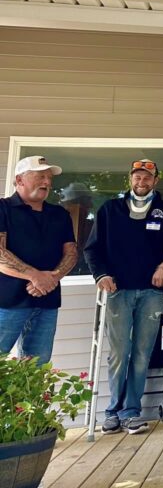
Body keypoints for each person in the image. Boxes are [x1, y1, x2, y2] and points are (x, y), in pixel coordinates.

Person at [84, 159, 163, 434]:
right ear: (130, 180)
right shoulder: (110, 210)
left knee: (142, 353)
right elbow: (92, 249)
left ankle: (131, 411)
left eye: (147, 178)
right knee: (120, 352)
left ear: (155, 181)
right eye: (137, 178)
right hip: (117, 290)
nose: (141, 182)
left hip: (150, 291)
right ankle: (112, 411)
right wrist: (101, 275)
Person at [0, 156, 76, 364]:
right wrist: (35, 276)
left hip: (47, 302)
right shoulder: (3, 208)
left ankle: (31, 400)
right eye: (40, 176)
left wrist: (52, 278)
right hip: (7, 303)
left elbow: (71, 252)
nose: (47, 182)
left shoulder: (60, 214)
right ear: (19, 180)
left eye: (49, 178)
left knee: (37, 369)